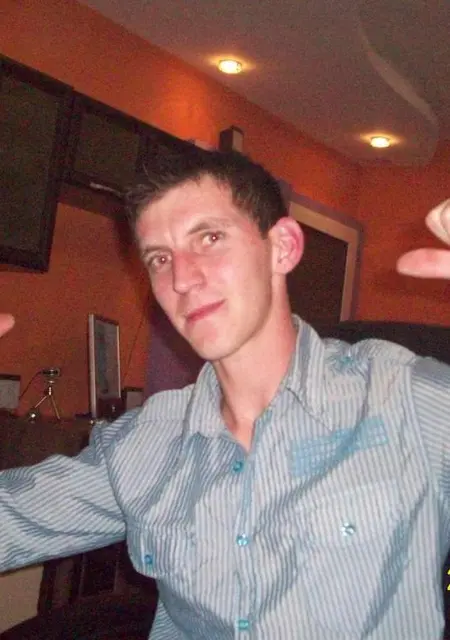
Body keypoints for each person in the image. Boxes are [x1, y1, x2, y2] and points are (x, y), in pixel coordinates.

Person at [1, 148, 450, 639]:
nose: (182, 279)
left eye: (210, 238)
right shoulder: (142, 445)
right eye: (160, 258)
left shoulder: (402, 397)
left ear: (282, 248)